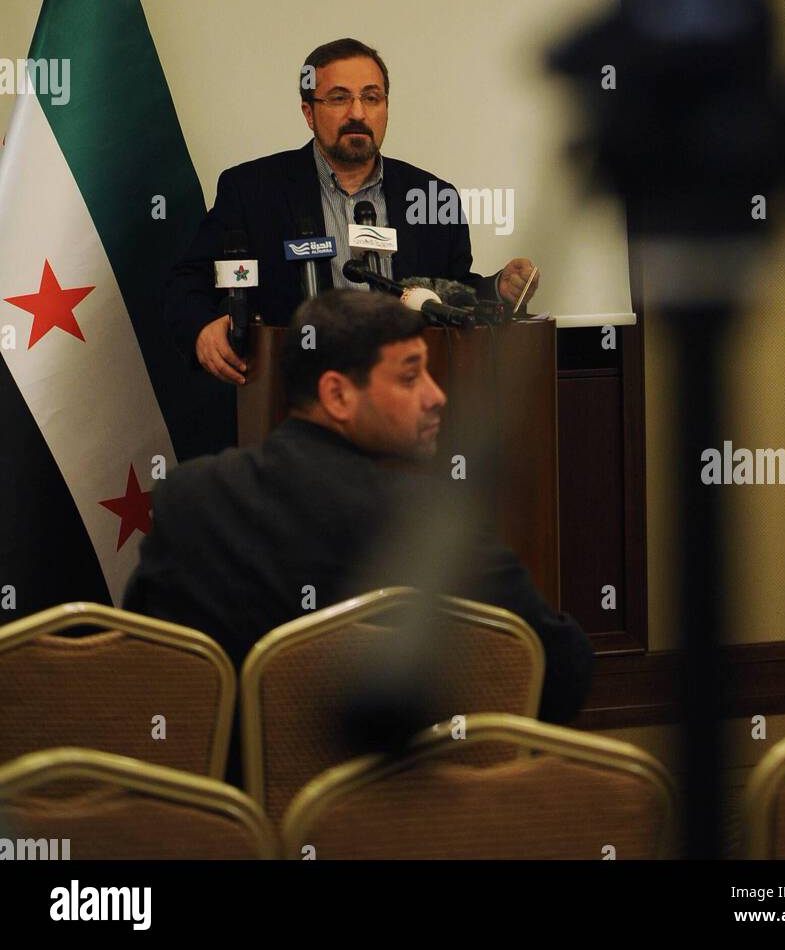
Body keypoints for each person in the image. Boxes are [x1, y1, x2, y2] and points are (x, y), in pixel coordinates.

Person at [124, 290, 592, 729]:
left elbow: (148, 668)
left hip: (222, 805)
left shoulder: (187, 497)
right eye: (410, 376)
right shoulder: (426, 521)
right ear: (338, 395)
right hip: (381, 804)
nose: (437, 395)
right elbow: (562, 673)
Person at [165, 37, 539, 385]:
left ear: (386, 108)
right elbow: (187, 281)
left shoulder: (432, 195)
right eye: (339, 98)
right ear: (309, 113)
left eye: (371, 98)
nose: (357, 113)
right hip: (293, 397)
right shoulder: (253, 190)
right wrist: (202, 328)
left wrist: (498, 289)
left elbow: (448, 293)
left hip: (404, 398)